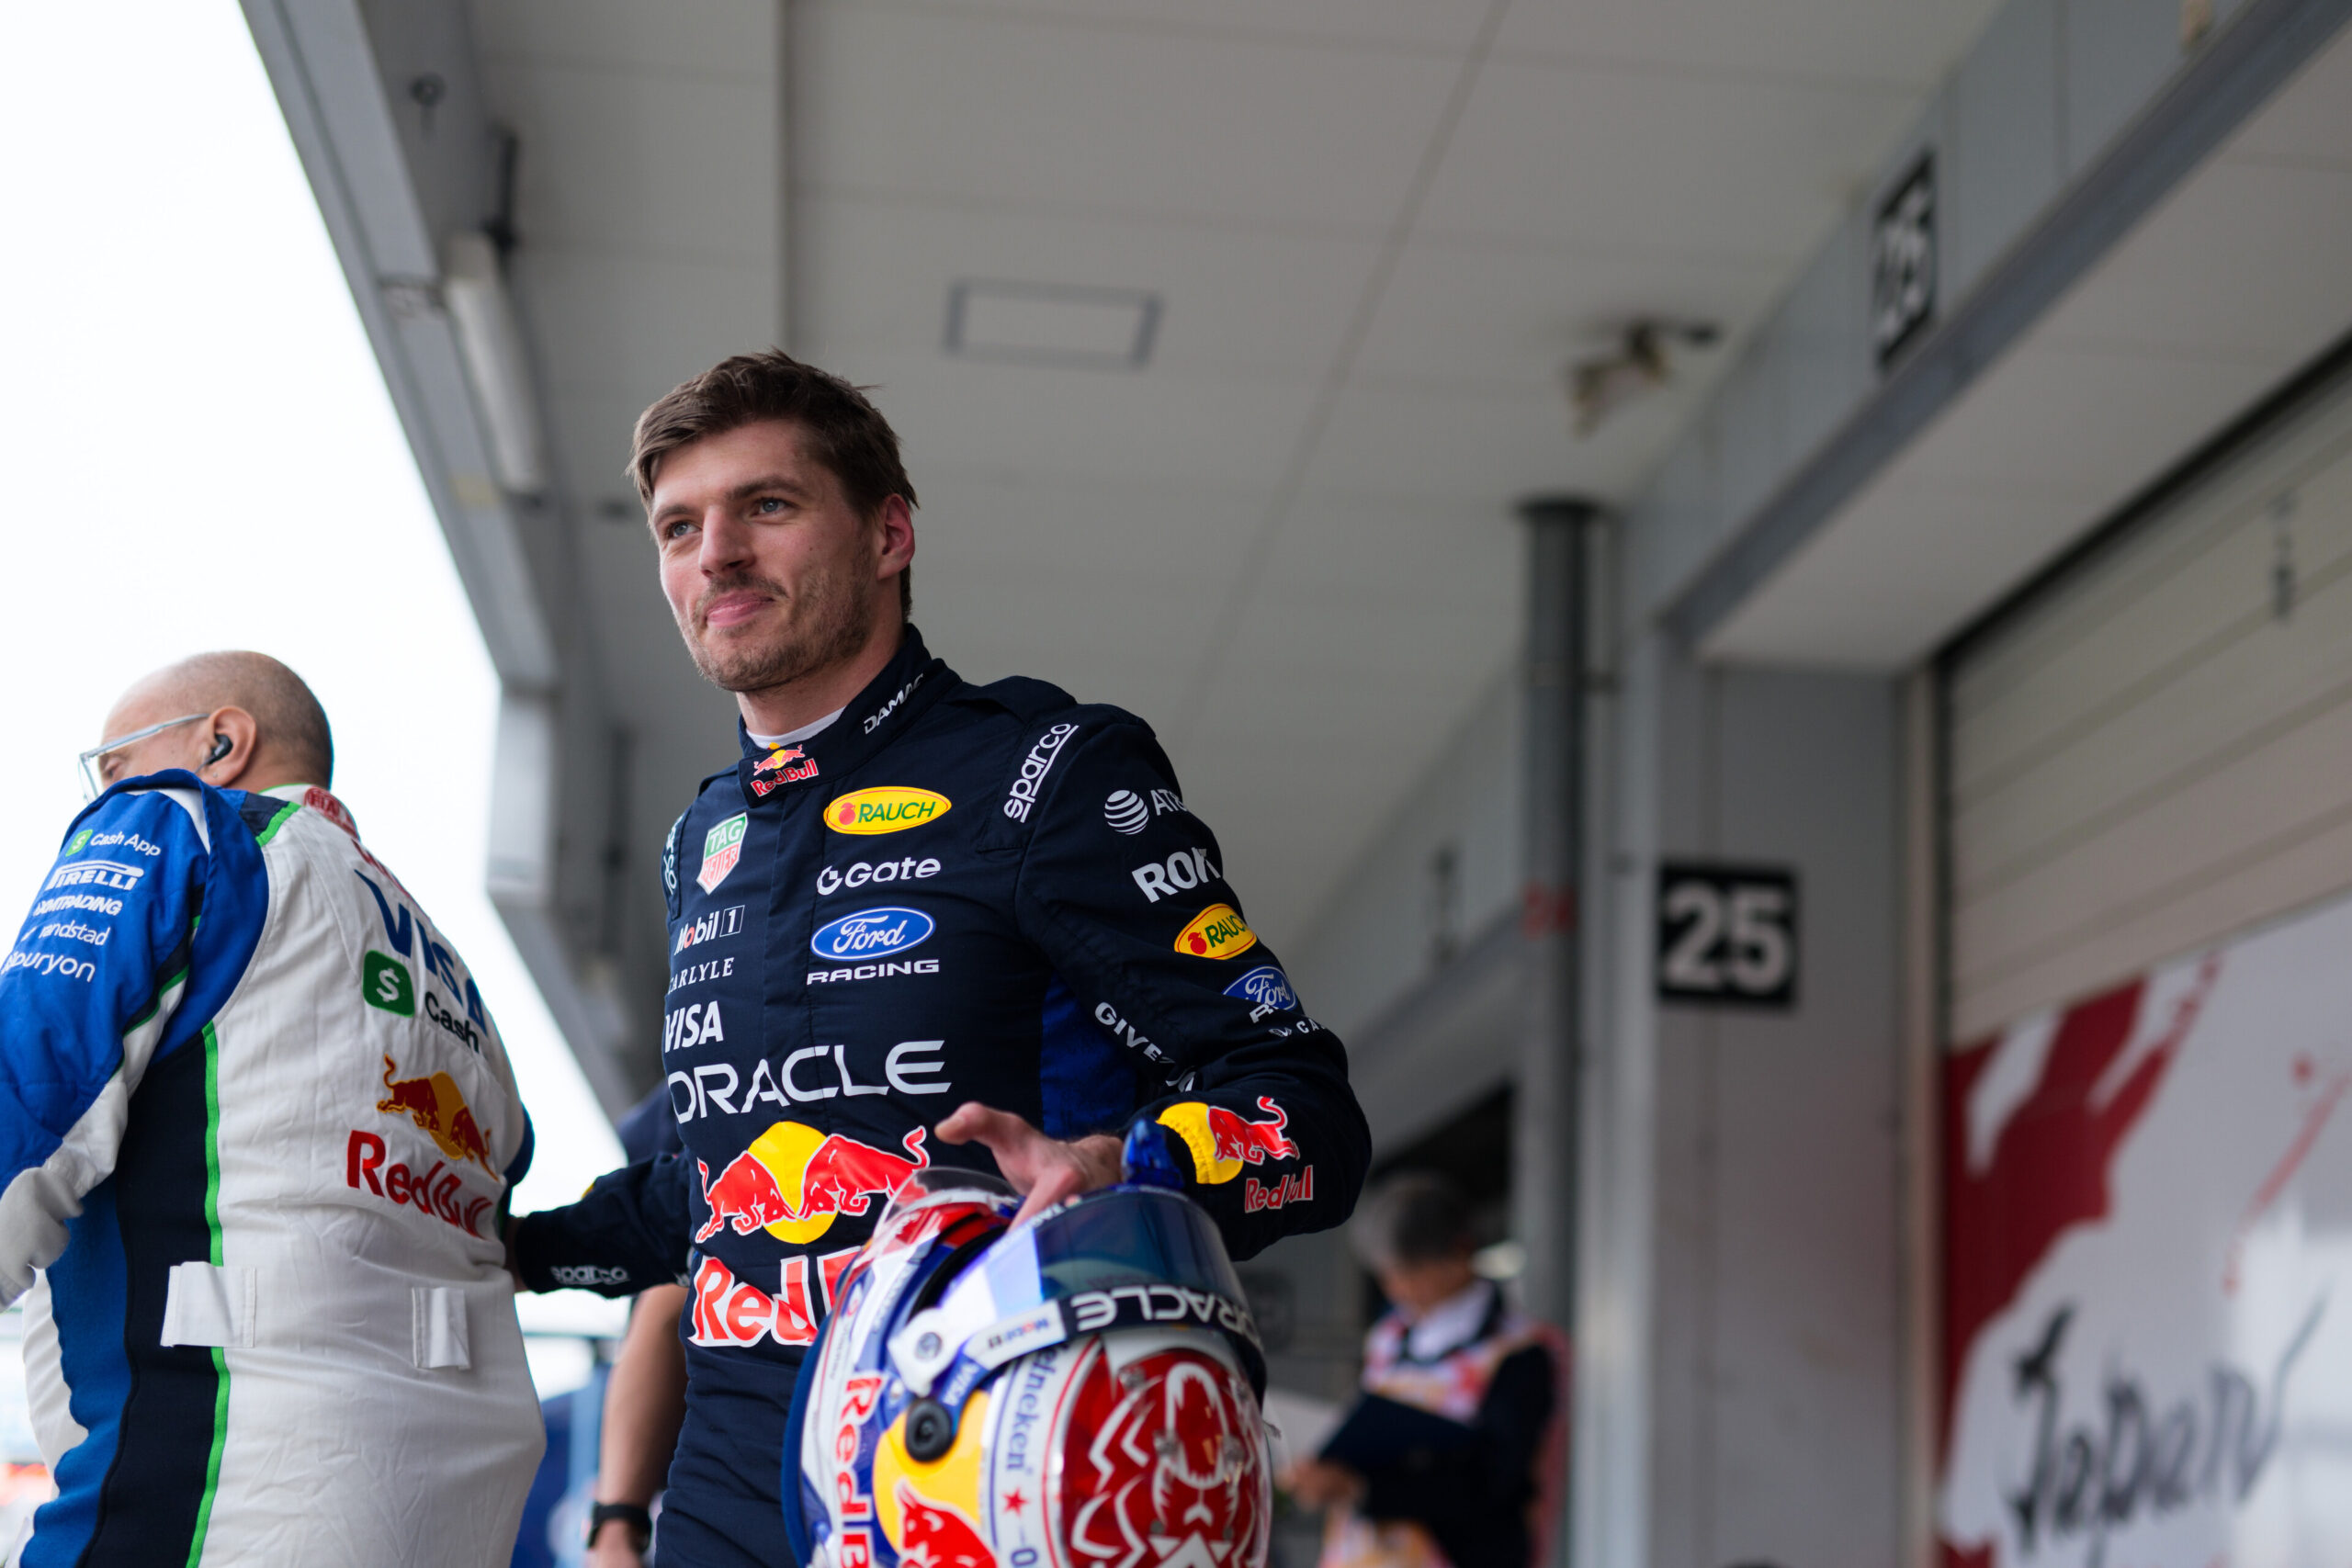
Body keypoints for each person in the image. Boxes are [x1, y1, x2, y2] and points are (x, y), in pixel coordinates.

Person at [507, 350, 1371, 1566]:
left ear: (889, 534)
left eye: (768, 504)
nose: (718, 555)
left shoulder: (1050, 773)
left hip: (993, 1468)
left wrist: (1123, 1160)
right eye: (679, 526)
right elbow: (719, 1188)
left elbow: (1307, 1116)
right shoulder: (702, 834)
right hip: (730, 1490)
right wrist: (503, 1243)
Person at [0, 652, 544, 1567]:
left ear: (221, 741)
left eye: (114, 762)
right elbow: (504, 1182)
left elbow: (34, 1080)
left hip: (227, 1474)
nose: (109, 789)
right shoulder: (459, 986)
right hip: (456, 1500)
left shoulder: (185, 824)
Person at [1284, 1172, 1565, 1568]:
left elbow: (1495, 1484)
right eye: (1389, 1274)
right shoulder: (1389, 1337)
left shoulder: (1520, 1353)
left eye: (1410, 1271)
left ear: (1459, 1252)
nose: (1398, 1288)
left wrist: (1362, 1487)